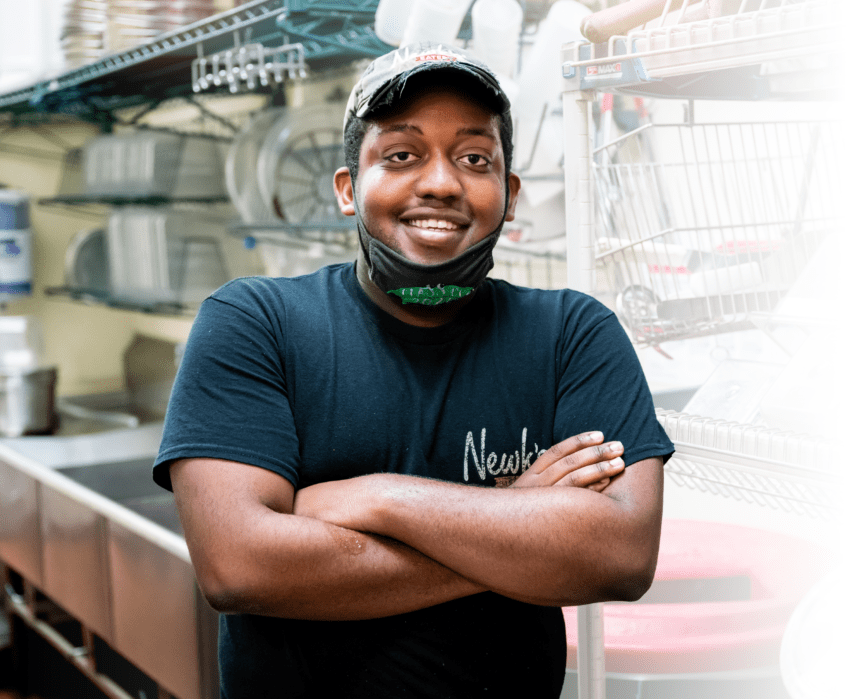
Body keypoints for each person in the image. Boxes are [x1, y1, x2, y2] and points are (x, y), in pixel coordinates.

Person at [154, 42, 675, 699]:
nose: (440, 182)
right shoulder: (257, 323)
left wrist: (374, 497)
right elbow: (240, 567)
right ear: (348, 189)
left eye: (474, 158)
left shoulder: (572, 334)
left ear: (509, 196)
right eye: (401, 154)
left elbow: (622, 555)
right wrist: (515, 520)